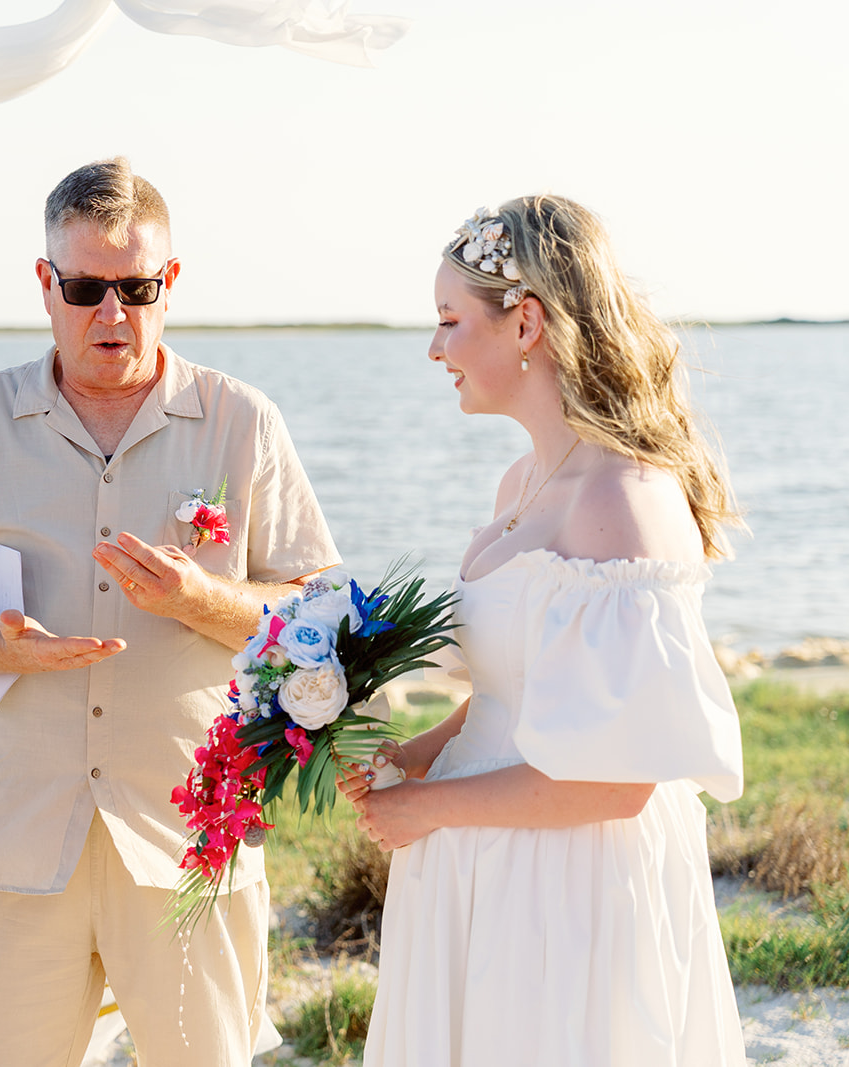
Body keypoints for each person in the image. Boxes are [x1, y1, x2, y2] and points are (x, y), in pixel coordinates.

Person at [0, 157, 339, 1066]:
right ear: (44, 283)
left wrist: (201, 599)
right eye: (86, 287)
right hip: (11, 837)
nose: (112, 312)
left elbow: (319, 614)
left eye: (136, 288)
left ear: (169, 282)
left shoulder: (243, 421)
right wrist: (3, 646)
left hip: (192, 840)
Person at [340, 196, 746, 1064]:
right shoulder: (522, 482)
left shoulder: (621, 501)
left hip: (569, 882)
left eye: (450, 320)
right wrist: (421, 751)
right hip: (484, 855)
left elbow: (618, 780)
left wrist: (425, 808)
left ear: (525, 323)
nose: (435, 348)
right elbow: (524, 683)